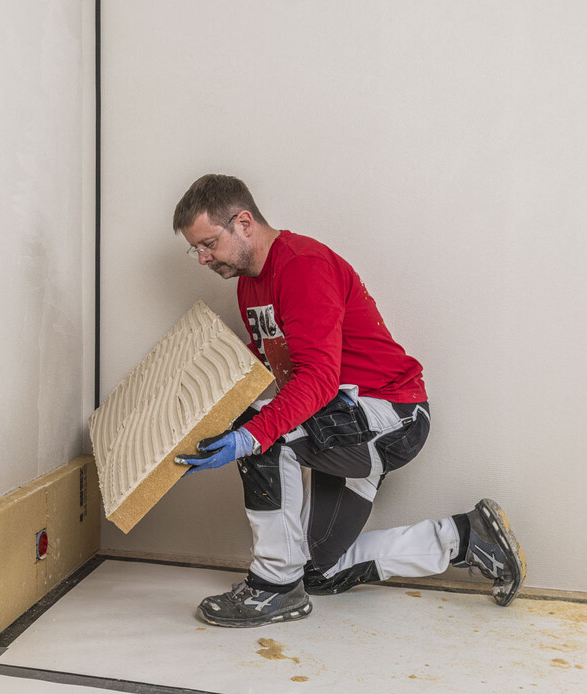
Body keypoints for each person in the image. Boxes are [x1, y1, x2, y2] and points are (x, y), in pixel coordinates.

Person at [171, 174, 526, 628]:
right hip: (340, 420)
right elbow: (270, 357)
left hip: (392, 415)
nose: (202, 258)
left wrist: (249, 436)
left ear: (243, 222)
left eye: (208, 243)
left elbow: (317, 377)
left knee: (263, 433)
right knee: (318, 570)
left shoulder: (302, 265)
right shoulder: (250, 284)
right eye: (195, 249)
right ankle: (465, 538)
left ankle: (273, 588)